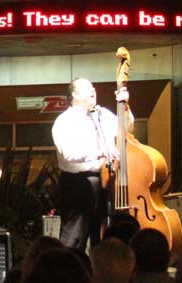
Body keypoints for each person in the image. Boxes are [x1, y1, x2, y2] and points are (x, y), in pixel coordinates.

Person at [51, 77, 131, 251]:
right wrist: (100, 152)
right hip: (77, 183)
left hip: (102, 179)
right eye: (88, 87)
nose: (94, 90)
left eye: (94, 86)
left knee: (100, 239)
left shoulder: (102, 114)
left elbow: (127, 128)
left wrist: (125, 106)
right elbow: (69, 153)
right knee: (74, 239)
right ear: (75, 95)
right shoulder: (65, 121)